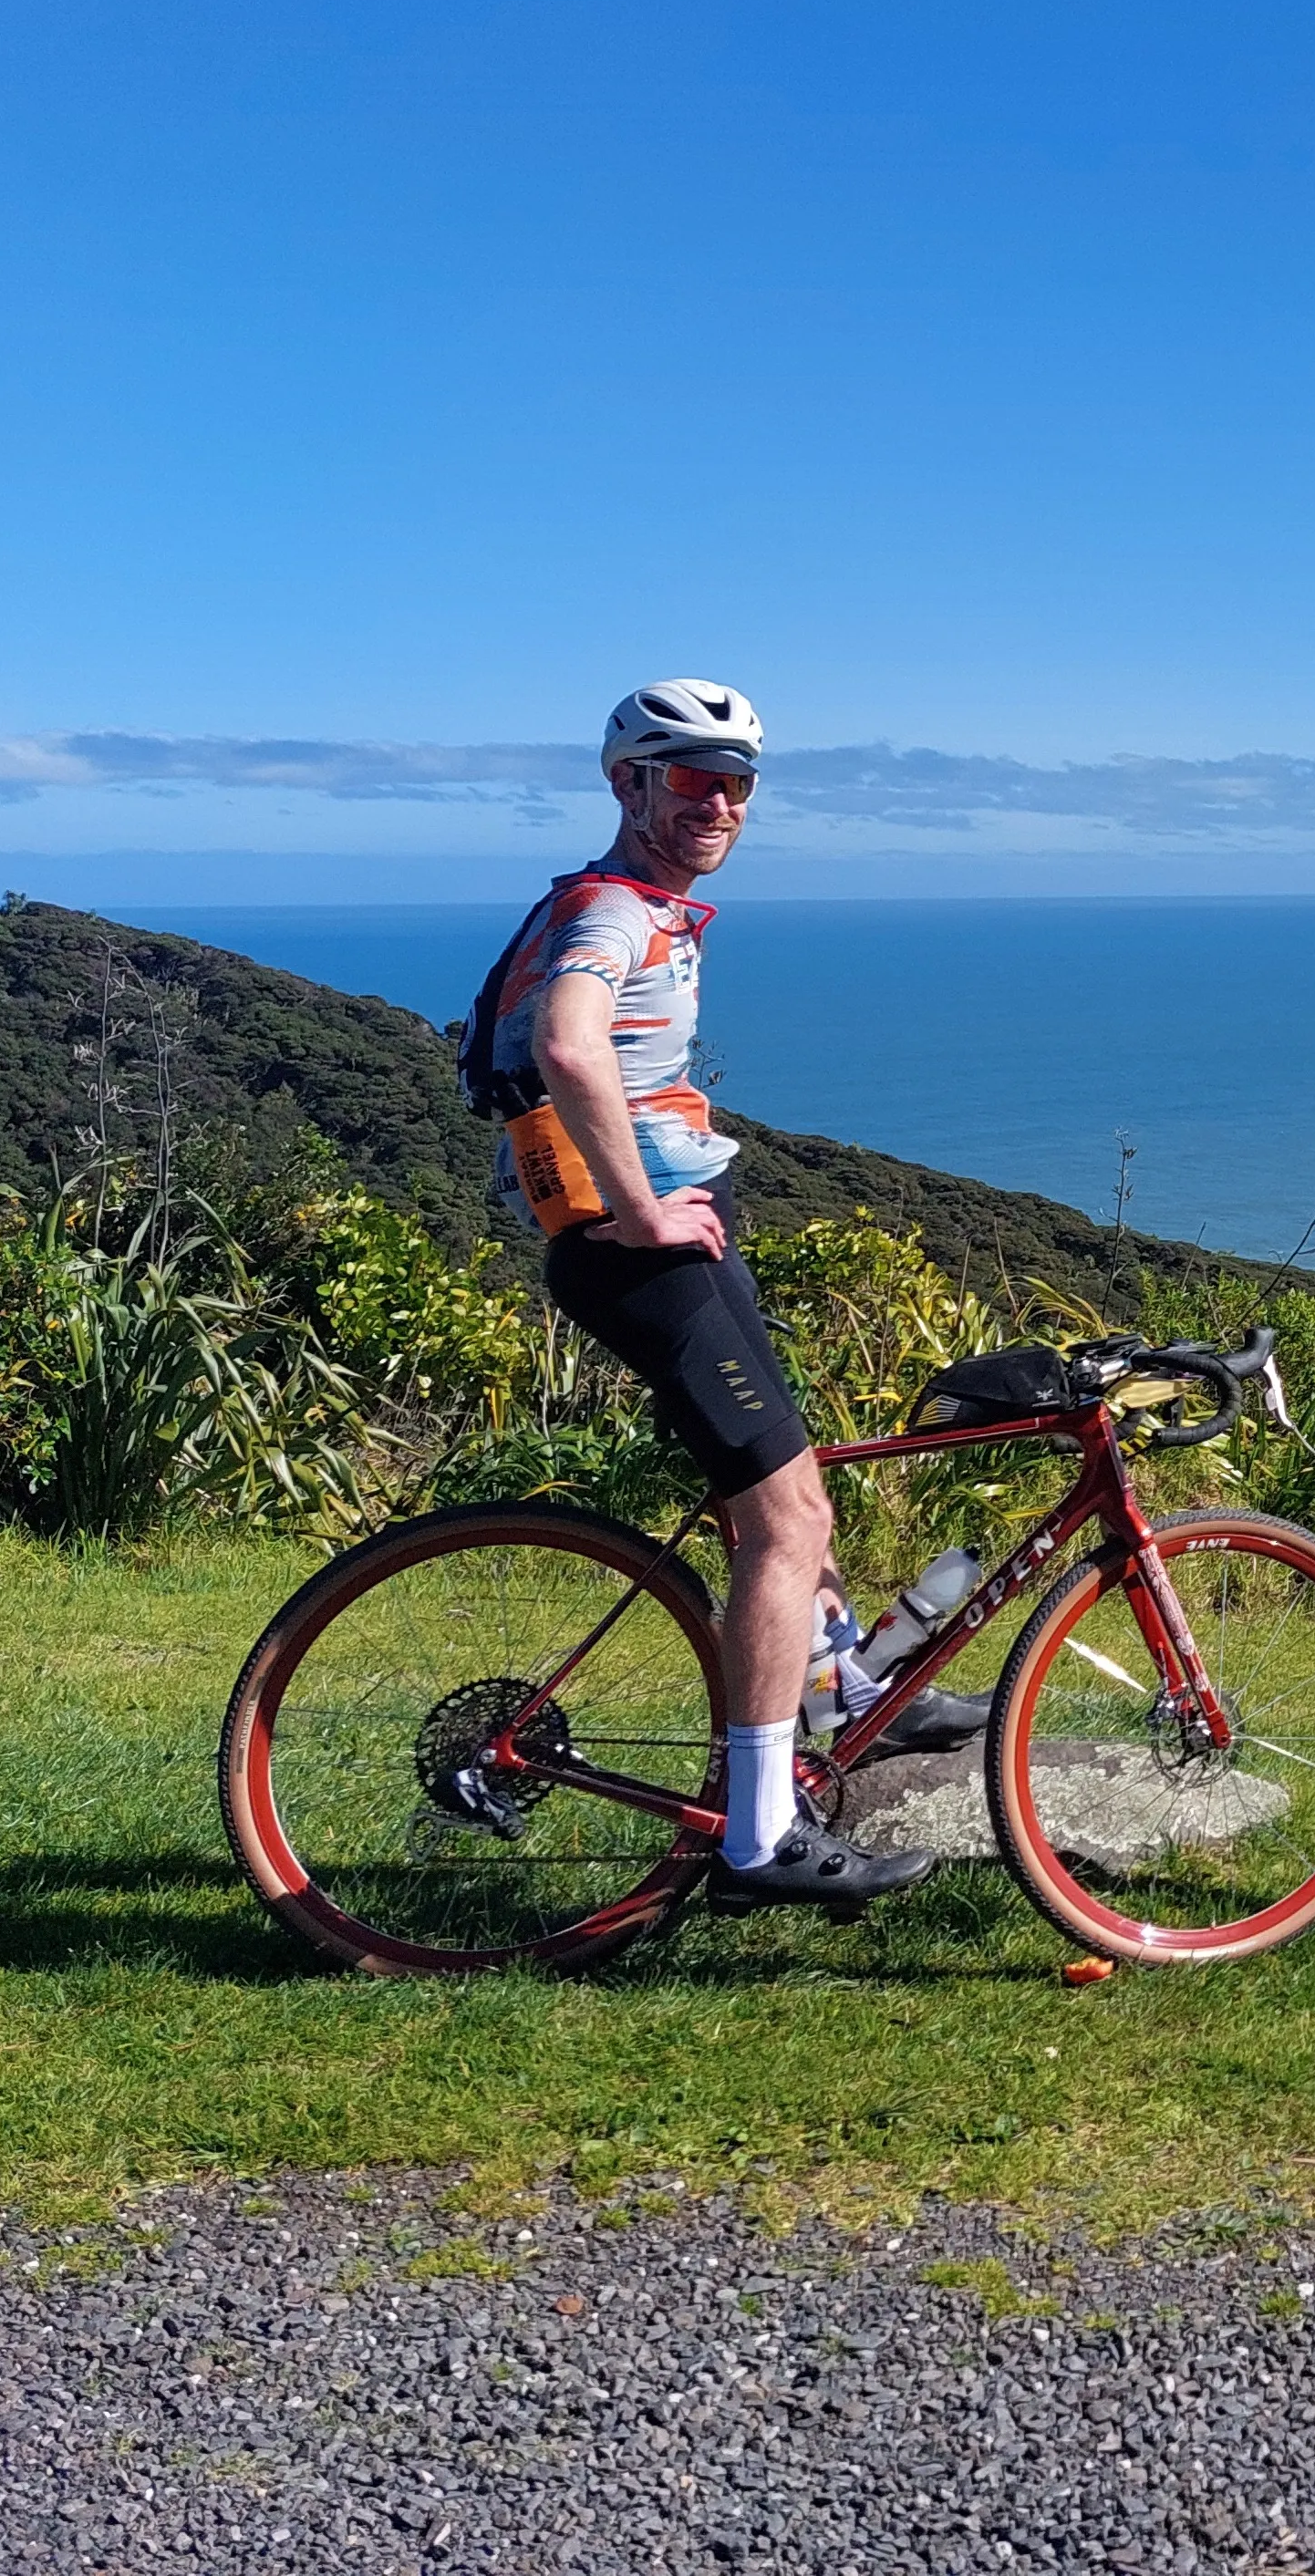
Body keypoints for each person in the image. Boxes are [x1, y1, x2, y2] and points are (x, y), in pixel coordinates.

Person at [475, 679, 964, 1909]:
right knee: (789, 1520)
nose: (720, 803)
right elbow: (569, 1043)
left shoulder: (642, 906)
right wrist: (642, 1205)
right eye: (690, 776)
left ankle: (846, 1695)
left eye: (738, 782)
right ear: (627, 782)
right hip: (639, 1249)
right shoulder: (610, 916)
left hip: (667, 1238)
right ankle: (758, 1838)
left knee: (787, 1499)